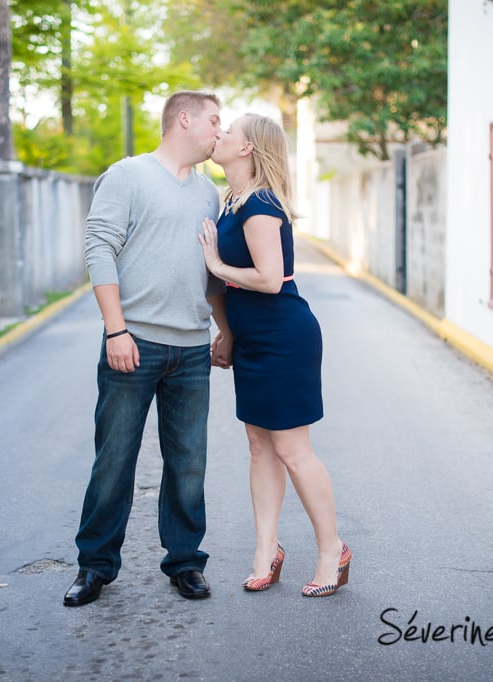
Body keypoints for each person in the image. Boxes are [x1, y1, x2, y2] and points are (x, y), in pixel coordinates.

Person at [64, 91, 230, 607]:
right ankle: (94, 567)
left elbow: (211, 275)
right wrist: (116, 331)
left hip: (191, 350)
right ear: (184, 119)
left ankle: (185, 563)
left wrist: (223, 330)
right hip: (132, 344)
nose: (219, 133)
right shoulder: (127, 176)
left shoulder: (210, 194)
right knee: (114, 459)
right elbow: (99, 248)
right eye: (214, 121)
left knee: (189, 462)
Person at [197, 113, 350, 597]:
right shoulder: (231, 202)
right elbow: (230, 290)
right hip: (254, 340)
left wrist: (216, 264)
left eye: (228, 132)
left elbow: (267, 277)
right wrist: (228, 333)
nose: (218, 136)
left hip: (284, 337)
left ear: (246, 149)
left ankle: (333, 551)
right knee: (259, 446)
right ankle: (267, 551)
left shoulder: (260, 203)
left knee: (292, 450)